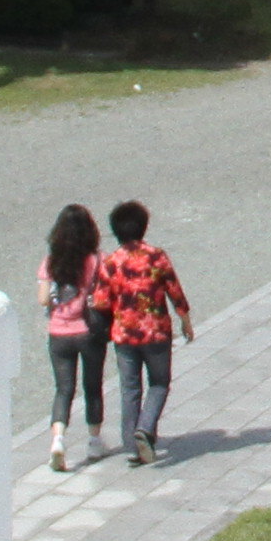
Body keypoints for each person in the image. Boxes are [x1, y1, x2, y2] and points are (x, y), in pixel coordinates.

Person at [86, 199, 191, 467]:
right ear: (143, 227)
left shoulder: (111, 262)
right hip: (156, 332)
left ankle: (132, 447)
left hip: (124, 334)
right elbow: (174, 289)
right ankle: (145, 427)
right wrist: (185, 319)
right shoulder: (156, 256)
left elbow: (100, 302)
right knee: (158, 383)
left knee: (129, 388)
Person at [39, 205, 107, 470]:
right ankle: (94, 440)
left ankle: (58, 439)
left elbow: (43, 298)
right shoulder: (96, 260)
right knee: (93, 386)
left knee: (63, 389)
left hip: (59, 332)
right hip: (89, 331)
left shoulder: (51, 261)